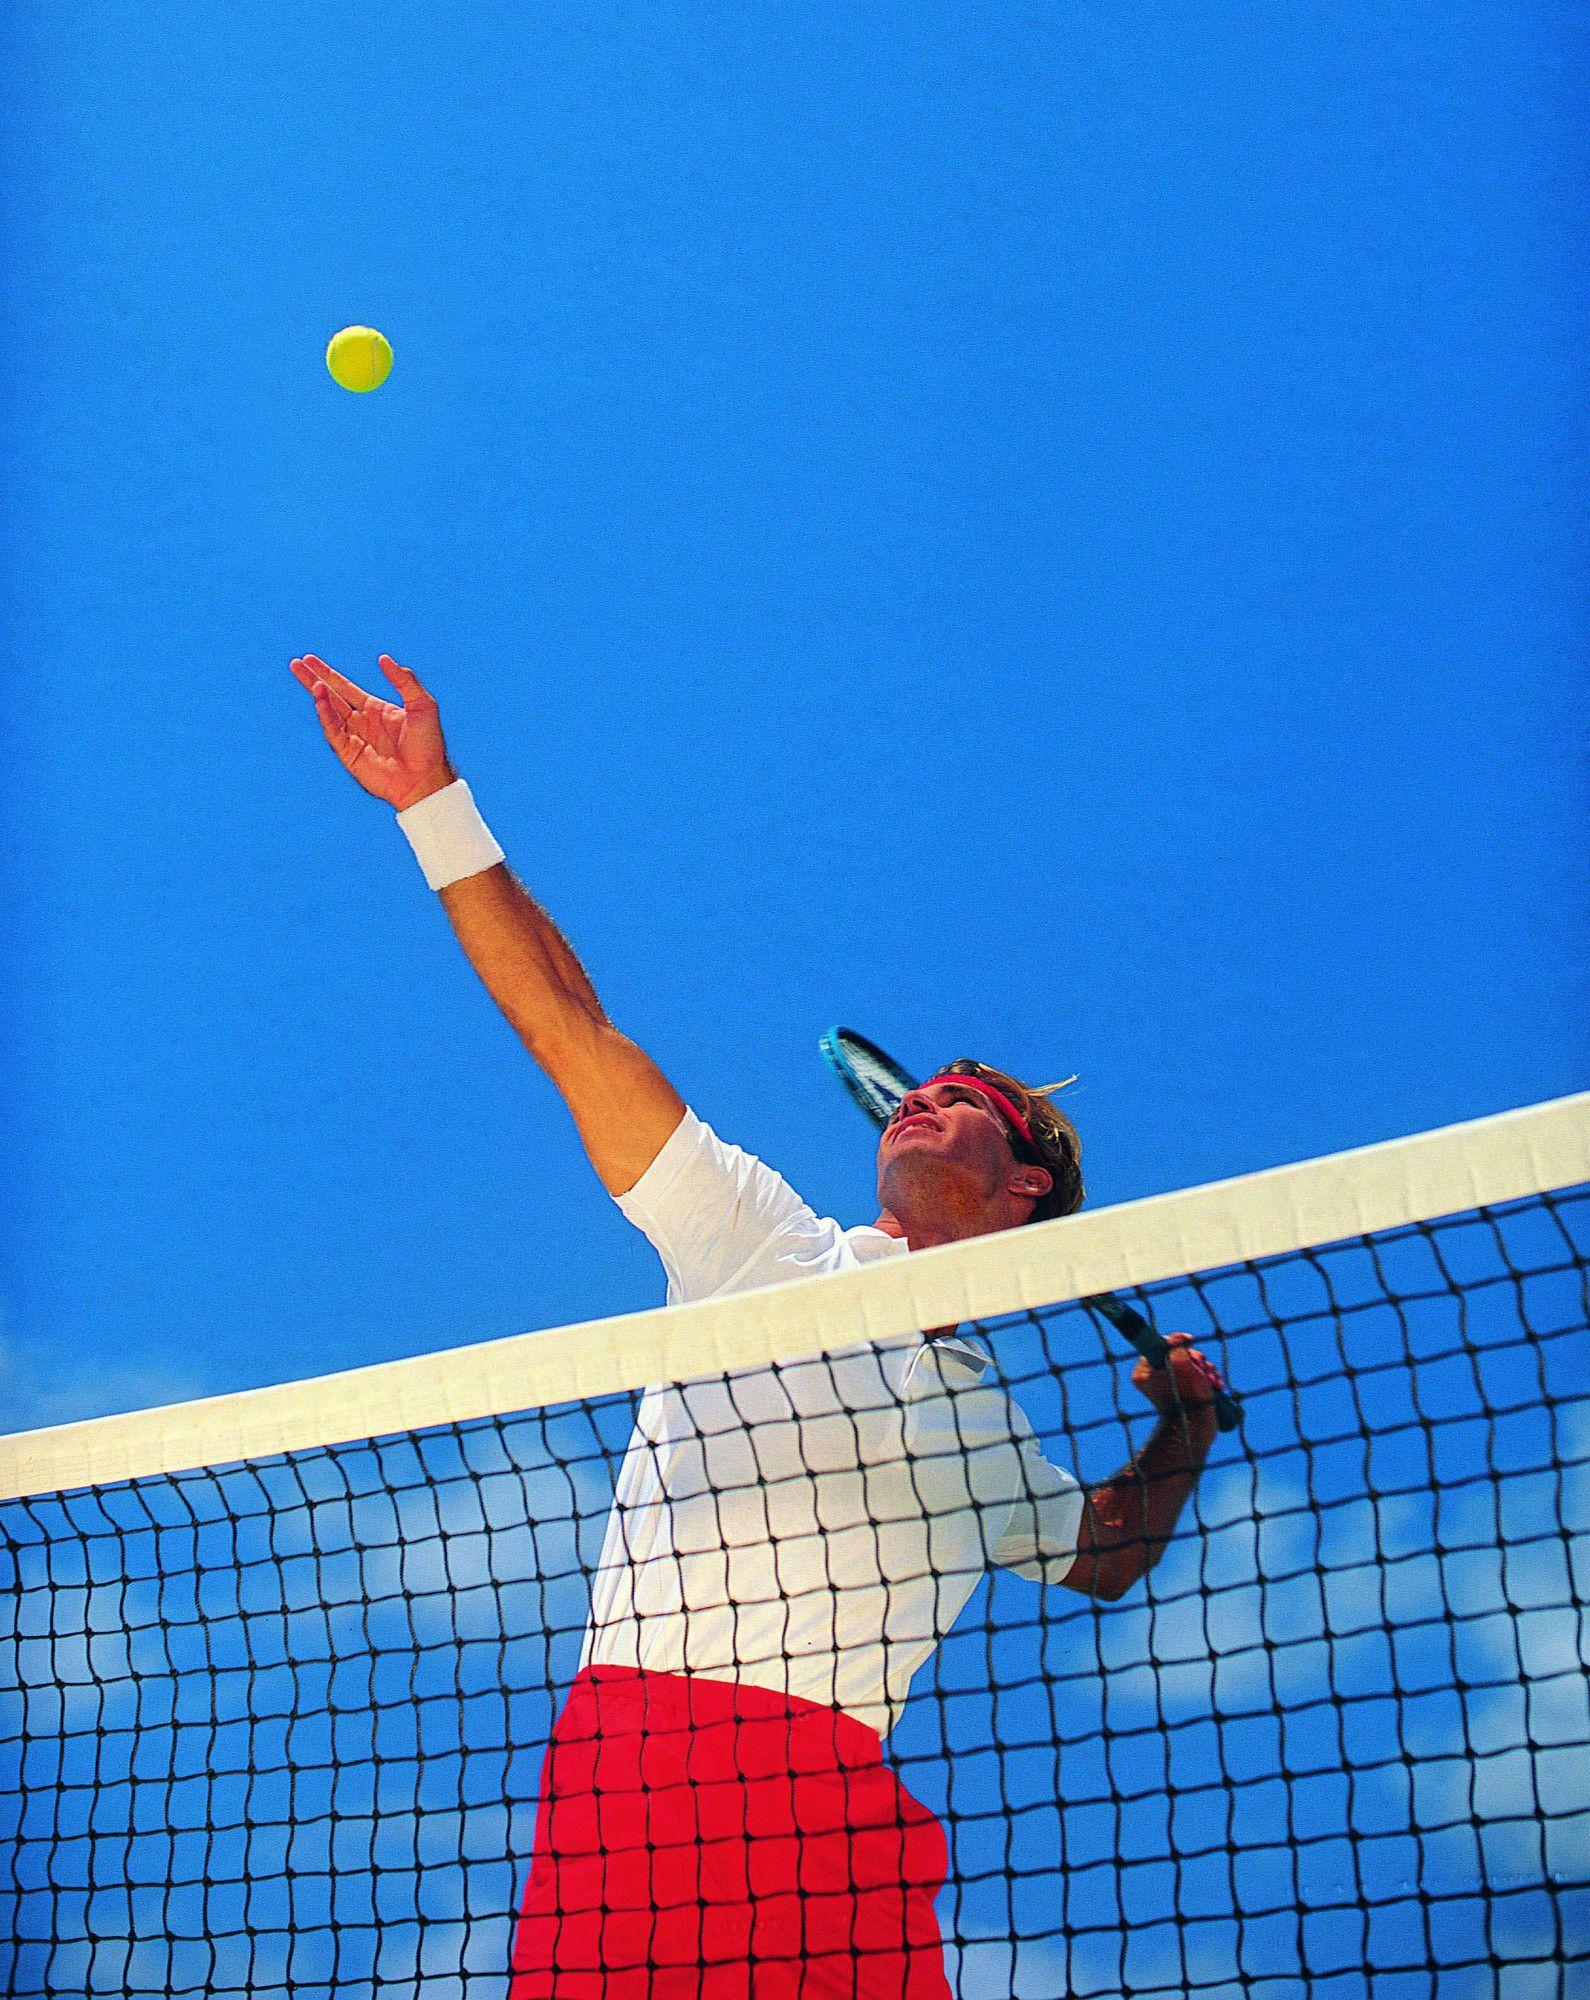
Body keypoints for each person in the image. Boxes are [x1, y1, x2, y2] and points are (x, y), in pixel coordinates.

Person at [289, 653, 1228, 1999]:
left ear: (1023, 1184)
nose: (919, 1096)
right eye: (919, 1087)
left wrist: (1181, 1428)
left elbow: (1102, 1553)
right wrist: (433, 802)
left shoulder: (994, 1434)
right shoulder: (759, 1236)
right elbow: (574, 1029)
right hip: (638, 1782)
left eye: (962, 1098)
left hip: (841, 1829)